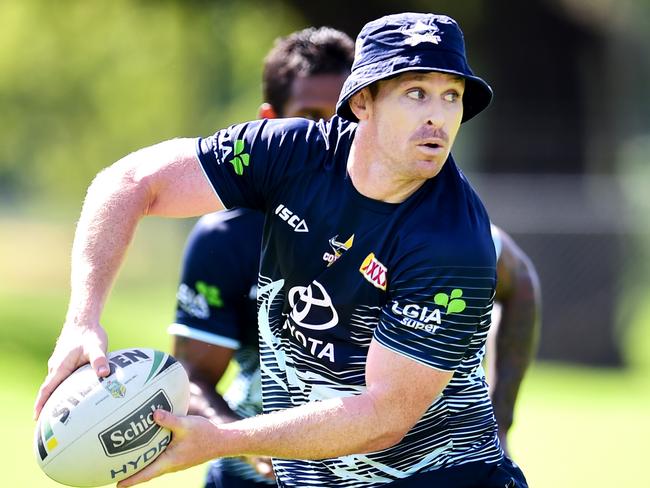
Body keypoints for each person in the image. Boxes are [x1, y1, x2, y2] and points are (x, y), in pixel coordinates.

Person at [35, 12, 530, 487]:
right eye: (416, 93)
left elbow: (383, 416)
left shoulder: (452, 239)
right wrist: (83, 319)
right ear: (363, 102)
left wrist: (221, 439)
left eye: (451, 96)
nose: (437, 118)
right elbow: (129, 181)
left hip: (442, 478)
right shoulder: (292, 153)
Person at [171, 27, 355, 488]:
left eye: (347, 119)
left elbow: (518, 282)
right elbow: (190, 379)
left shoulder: (413, 219)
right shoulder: (226, 236)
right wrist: (247, 442)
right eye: (311, 118)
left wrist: (500, 420)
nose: (330, 137)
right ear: (269, 122)